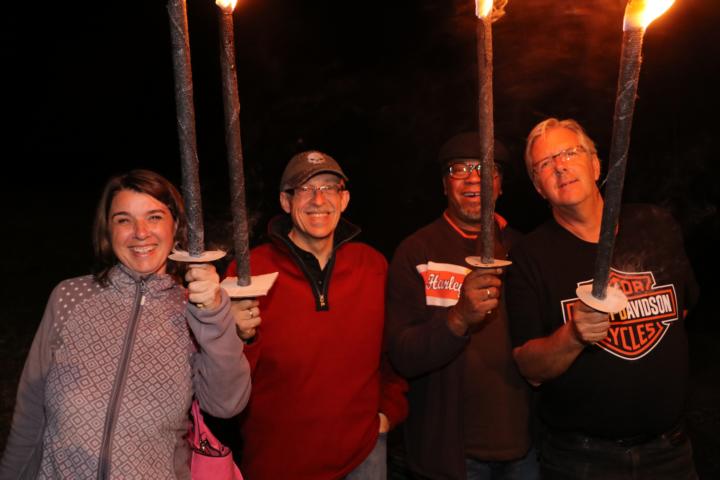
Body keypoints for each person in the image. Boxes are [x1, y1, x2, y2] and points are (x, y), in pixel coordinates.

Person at [0, 169, 252, 479]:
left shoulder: (195, 310)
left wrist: (213, 315)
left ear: (176, 225)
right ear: (108, 230)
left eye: (154, 217)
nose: (140, 233)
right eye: (124, 220)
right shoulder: (69, 297)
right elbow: (29, 412)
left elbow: (227, 404)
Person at [506, 118, 699, 479]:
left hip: (671, 452)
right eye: (544, 163)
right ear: (538, 187)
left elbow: (681, 310)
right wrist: (574, 335)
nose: (560, 166)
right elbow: (529, 368)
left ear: (595, 165)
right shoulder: (529, 256)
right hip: (582, 460)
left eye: (569, 153)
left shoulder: (655, 225)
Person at [225, 150, 408, 480]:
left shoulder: (373, 265)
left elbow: (392, 350)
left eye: (328, 188)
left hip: (363, 456)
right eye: (305, 189)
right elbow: (225, 376)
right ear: (286, 201)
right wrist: (238, 336)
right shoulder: (249, 271)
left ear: (344, 199)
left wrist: (389, 412)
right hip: (279, 463)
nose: (318, 200)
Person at [385, 132, 539, 479]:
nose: (473, 178)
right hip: (451, 455)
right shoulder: (417, 251)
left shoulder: (524, 250)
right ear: (445, 185)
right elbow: (402, 355)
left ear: (499, 185)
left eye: (487, 169)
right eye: (460, 169)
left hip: (526, 450)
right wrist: (458, 318)